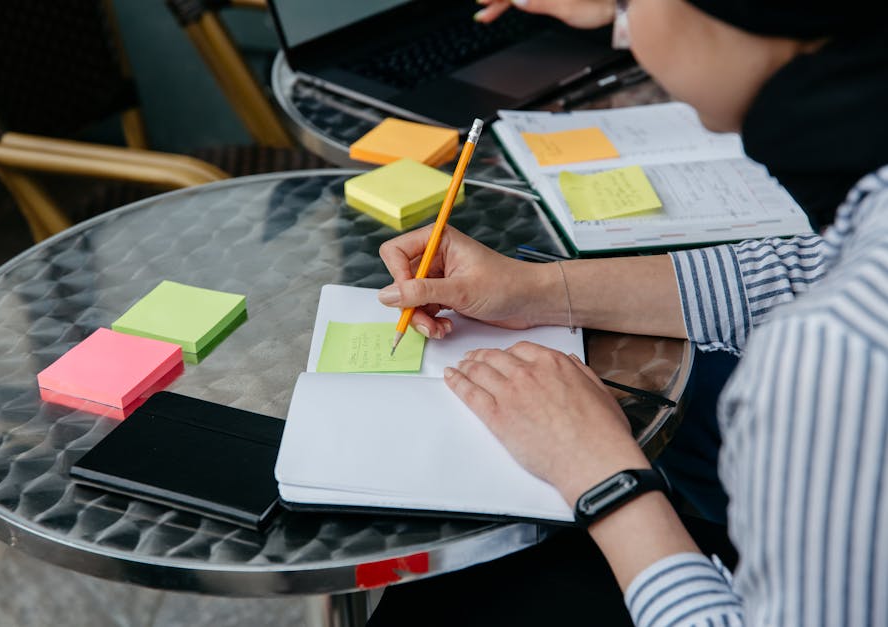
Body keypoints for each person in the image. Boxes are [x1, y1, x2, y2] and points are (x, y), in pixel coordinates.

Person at [367, 0, 888, 624]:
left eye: (630, 3)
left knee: (433, 606)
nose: (625, 29)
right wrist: (537, 290)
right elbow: (808, 267)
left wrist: (600, 471)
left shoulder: (839, 354)